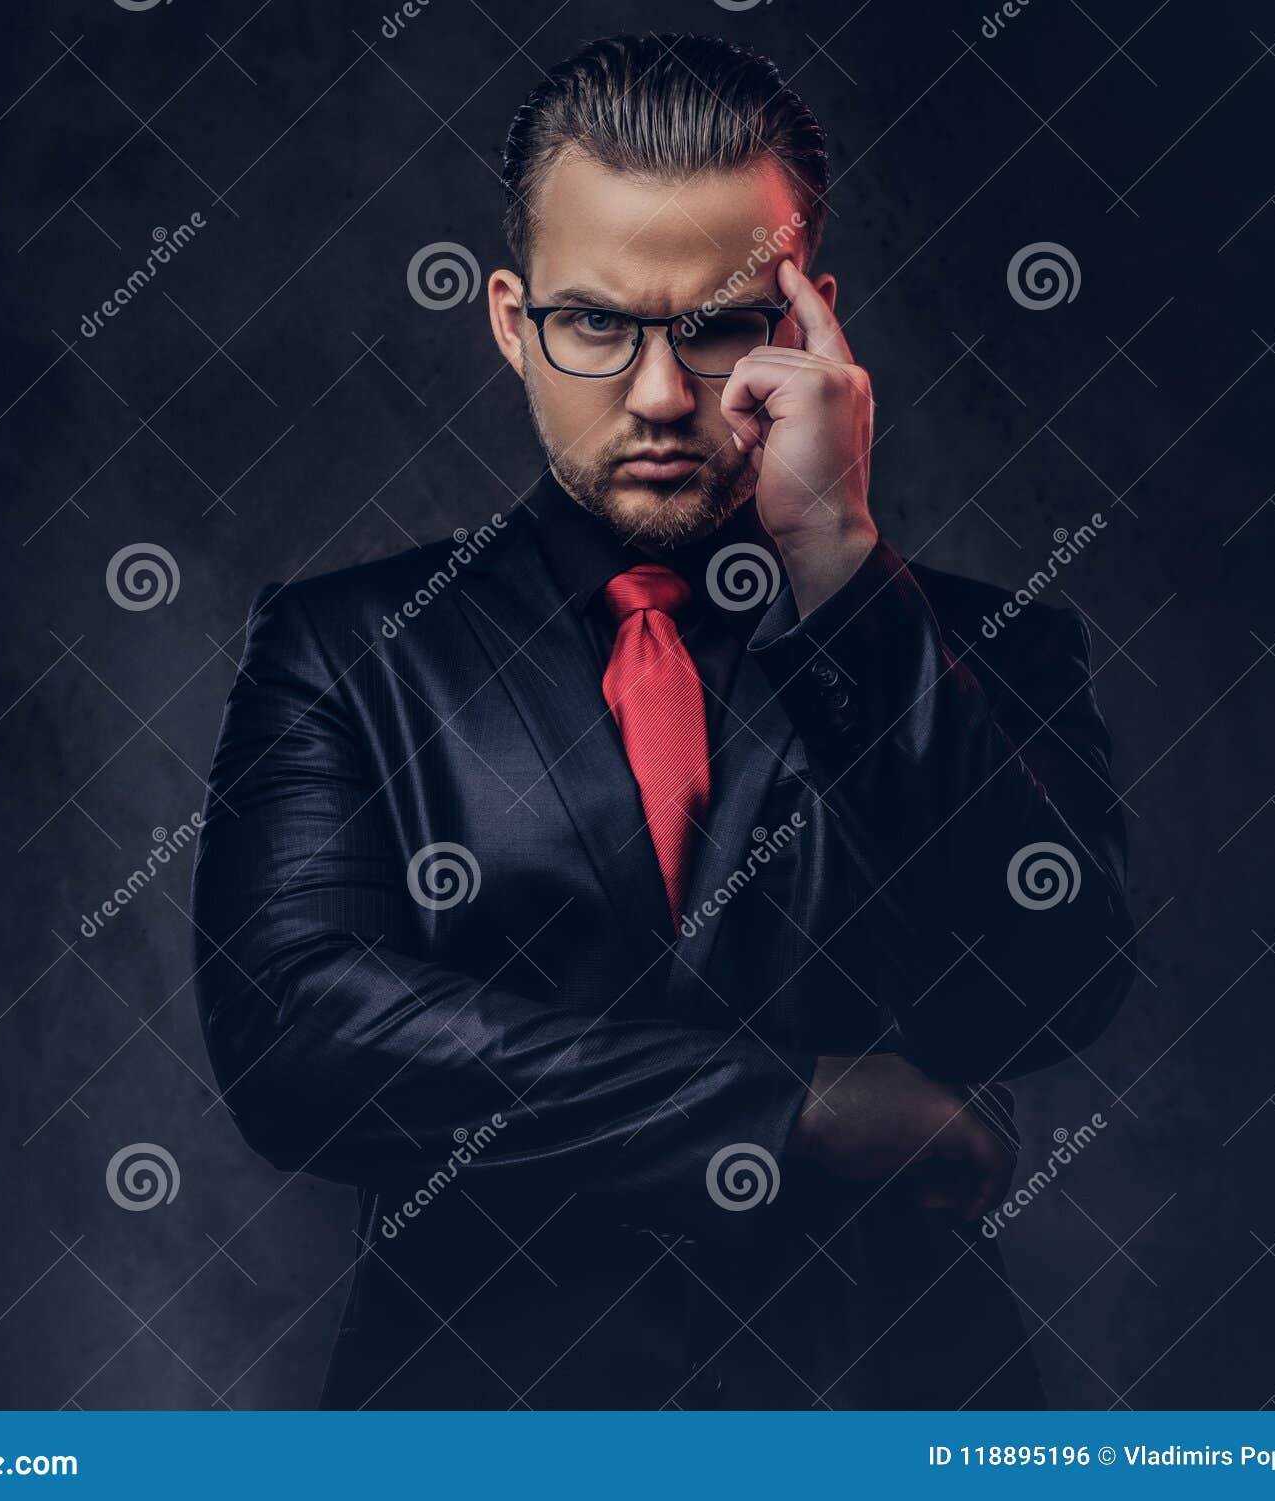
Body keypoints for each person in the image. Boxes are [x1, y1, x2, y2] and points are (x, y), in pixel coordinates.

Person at [191, 32, 1135, 1410]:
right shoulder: (349, 649)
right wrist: (786, 1107)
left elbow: (1050, 978)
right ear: (511, 320)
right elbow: (299, 1037)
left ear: (809, 322)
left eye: (718, 325)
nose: (656, 394)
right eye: (597, 323)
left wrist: (842, 564)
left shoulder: (982, 645)